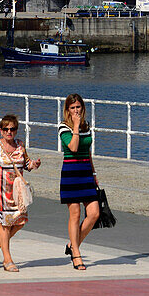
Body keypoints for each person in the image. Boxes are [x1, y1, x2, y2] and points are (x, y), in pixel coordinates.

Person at [0, 114, 40, 273]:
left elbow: (26, 164)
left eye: (12, 129)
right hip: (0, 190)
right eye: (5, 129)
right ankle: (7, 260)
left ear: (16, 130)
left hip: (17, 191)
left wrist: (34, 164)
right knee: (5, 223)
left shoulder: (20, 145)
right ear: (1, 130)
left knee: (20, 221)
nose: (9, 132)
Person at [59, 94, 101, 271]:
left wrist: (94, 172)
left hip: (85, 172)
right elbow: (74, 147)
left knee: (94, 213)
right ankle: (76, 253)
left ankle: (73, 244)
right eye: (72, 107)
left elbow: (87, 150)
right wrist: (75, 126)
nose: (76, 110)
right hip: (71, 173)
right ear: (67, 110)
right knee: (75, 214)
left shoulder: (87, 126)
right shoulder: (63, 127)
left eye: (78, 107)